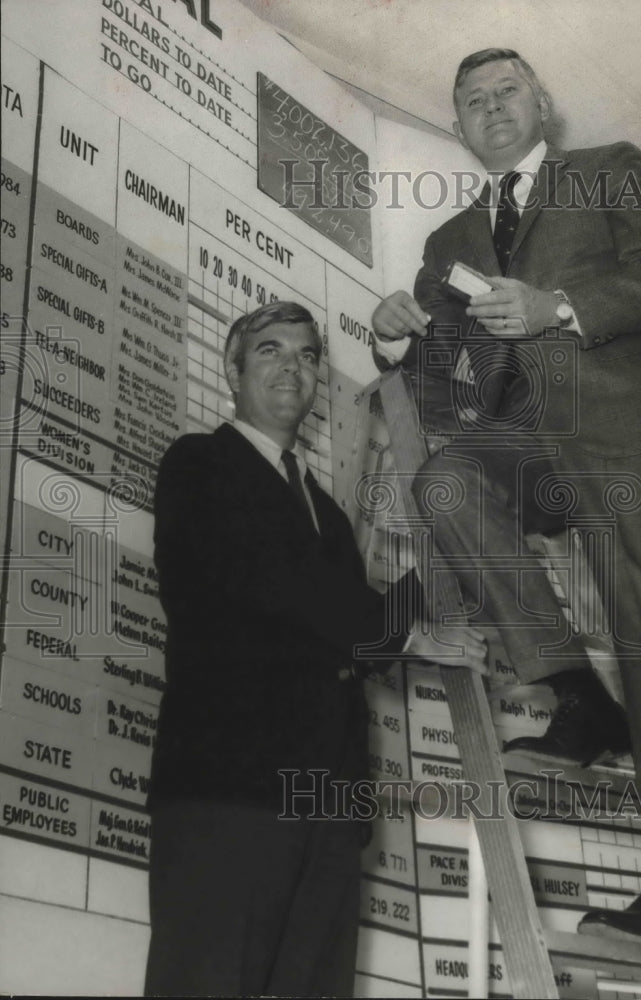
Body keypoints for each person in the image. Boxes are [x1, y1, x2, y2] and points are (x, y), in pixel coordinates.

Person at [371, 48, 641, 951]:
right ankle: (577, 695)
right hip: (527, 445)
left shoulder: (611, 170)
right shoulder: (447, 243)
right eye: (473, 102)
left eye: (508, 91)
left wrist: (556, 306)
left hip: (629, 429)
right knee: (446, 480)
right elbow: (443, 376)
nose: (492, 107)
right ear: (458, 128)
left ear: (543, 103)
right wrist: (390, 337)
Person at [144, 301, 487, 997]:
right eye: (269, 350)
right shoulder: (200, 464)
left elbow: (349, 641)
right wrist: (416, 635)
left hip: (328, 813)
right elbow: (275, 582)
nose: (291, 367)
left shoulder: (326, 514)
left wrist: (446, 547)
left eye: (305, 355)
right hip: (228, 798)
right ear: (232, 370)